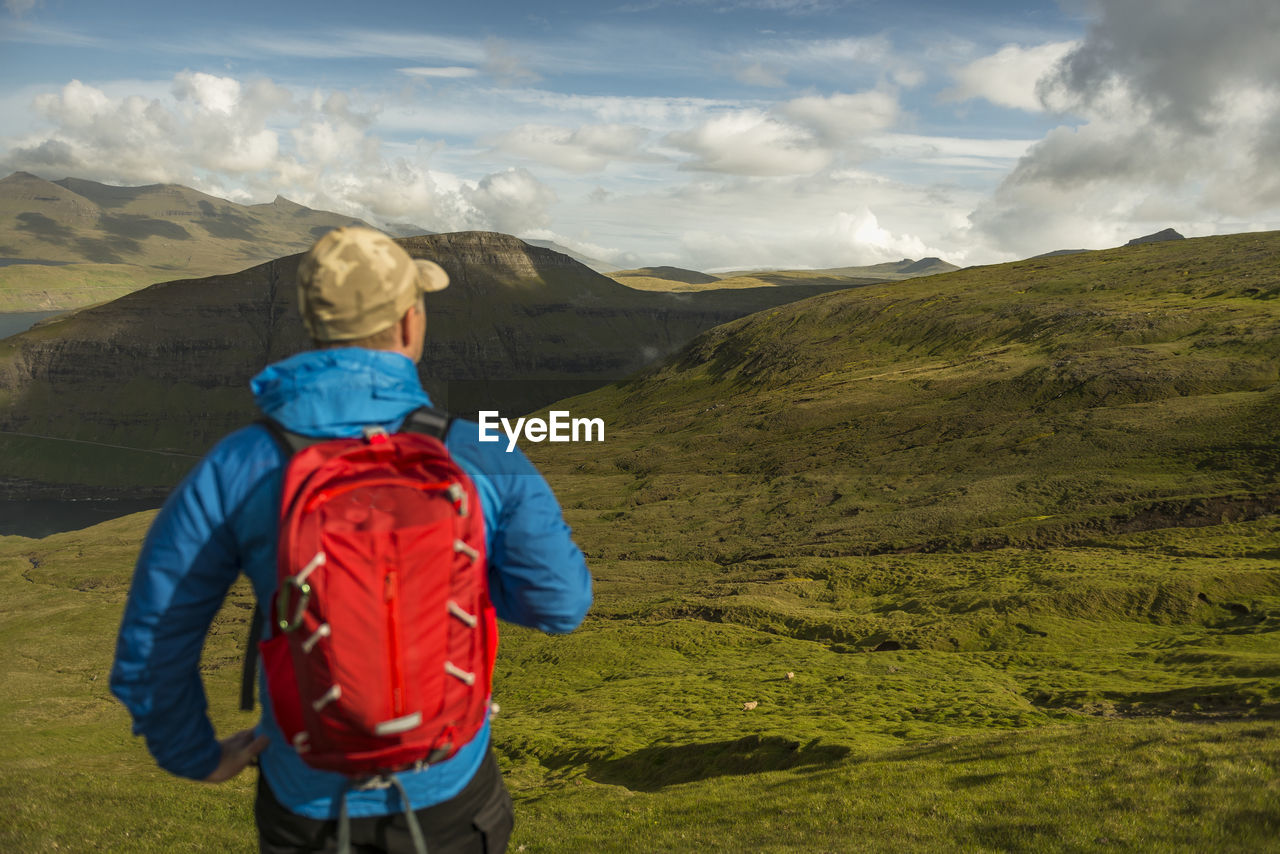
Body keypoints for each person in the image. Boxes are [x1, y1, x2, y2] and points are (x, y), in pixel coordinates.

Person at [110, 226, 593, 853]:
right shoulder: (477, 450)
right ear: (409, 323)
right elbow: (561, 604)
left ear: (315, 327)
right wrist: (456, 578)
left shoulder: (242, 463)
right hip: (451, 801)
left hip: (305, 805)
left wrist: (194, 756)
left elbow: (154, 636)